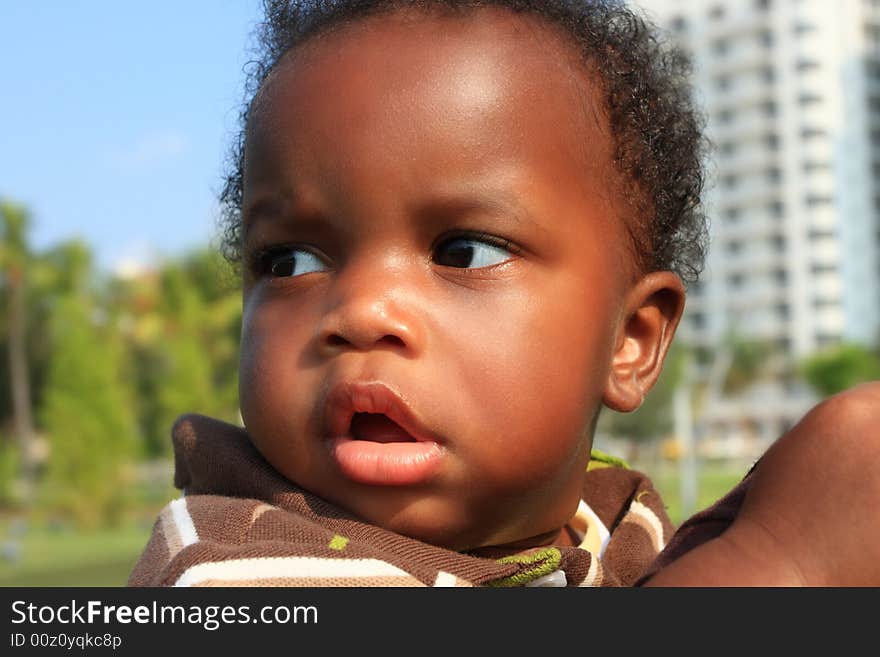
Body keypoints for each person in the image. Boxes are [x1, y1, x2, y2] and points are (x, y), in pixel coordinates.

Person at [129, 0, 880, 587]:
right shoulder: (232, 565)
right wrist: (782, 561)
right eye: (289, 261)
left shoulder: (618, 530)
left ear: (631, 340)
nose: (360, 310)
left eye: (463, 250)